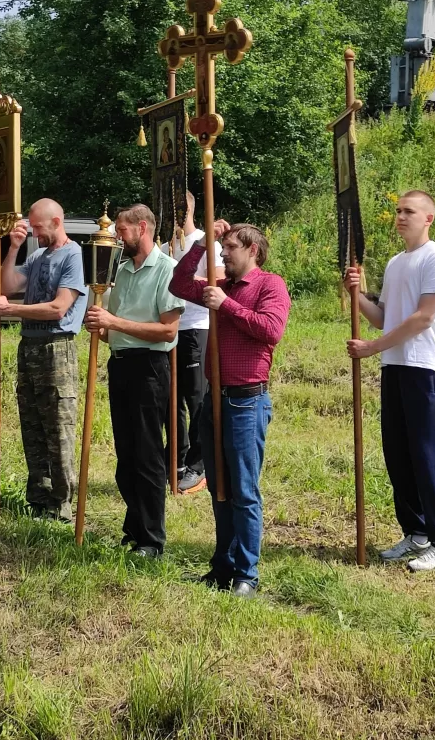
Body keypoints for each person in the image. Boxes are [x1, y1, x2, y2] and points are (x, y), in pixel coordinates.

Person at [170, 220, 291, 597]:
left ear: (253, 249)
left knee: (243, 489)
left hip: (246, 401)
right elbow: (178, 284)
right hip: (215, 400)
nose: (223, 253)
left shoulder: (270, 285)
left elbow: (271, 330)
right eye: (221, 247)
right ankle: (222, 566)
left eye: (230, 247)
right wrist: (201, 243)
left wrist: (227, 306)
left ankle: (246, 575)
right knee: (219, 487)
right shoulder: (218, 286)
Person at [345, 190, 435, 572]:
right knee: (399, 453)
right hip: (394, 366)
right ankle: (417, 533)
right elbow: (383, 317)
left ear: (429, 218)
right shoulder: (395, 263)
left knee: (430, 456)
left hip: (425, 367)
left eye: (409, 211)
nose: (401, 216)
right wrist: (355, 294)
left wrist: (372, 347)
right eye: (397, 211)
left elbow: (424, 318)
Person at [84, 204, 185, 557]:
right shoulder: (122, 270)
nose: (117, 238)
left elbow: (168, 331)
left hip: (150, 369)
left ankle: (152, 540)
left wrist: (112, 323)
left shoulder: (167, 269)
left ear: (142, 228)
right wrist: (100, 327)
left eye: (122, 231)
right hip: (121, 365)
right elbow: (114, 329)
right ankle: (135, 527)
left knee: (147, 455)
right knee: (125, 456)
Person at [0, 198, 87, 522]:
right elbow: (6, 286)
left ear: (57, 222)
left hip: (56, 348)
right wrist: (14, 248)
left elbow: (59, 308)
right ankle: (39, 499)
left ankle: (61, 506)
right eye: (30, 228)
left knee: (58, 427)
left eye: (38, 227)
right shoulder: (36, 256)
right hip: (29, 347)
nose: (34, 233)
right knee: (32, 426)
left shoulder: (73, 255)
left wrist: (10, 310)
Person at [162, 191, 225, 494]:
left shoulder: (206, 242)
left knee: (197, 398)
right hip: (168, 328)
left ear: (187, 210)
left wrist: (182, 280)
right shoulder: (164, 246)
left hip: (197, 327)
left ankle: (199, 466)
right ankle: (176, 459)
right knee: (170, 399)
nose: (170, 216)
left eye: (174, 210)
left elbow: (219, 281)